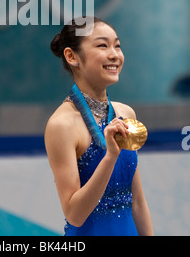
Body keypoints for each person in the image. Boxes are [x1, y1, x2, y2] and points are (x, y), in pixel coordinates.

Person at [45, 16, 154, 236]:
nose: (114, 54)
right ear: (71, 56)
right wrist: (110, 157)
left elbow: (138, 203)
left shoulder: (125, 114)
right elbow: (74, 214)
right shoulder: (61, 125)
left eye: (118, 45)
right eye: (102, 45)